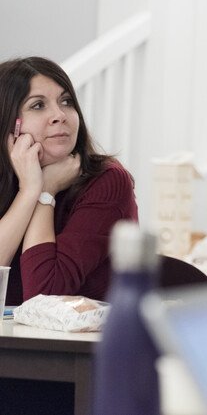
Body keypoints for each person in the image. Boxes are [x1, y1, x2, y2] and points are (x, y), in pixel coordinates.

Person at [0, 56, 138, 305]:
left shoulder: (107, 182)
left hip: (73, 343)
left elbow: (43, 298)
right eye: (38, 105)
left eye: (66, 102)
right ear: (11, 124)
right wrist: (30, 190)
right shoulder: (8, 182)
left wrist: (46, 193)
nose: (59, 115)